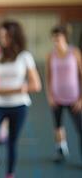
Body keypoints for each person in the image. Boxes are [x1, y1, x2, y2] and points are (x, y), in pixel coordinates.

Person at [0, 20, 41, 178]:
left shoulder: (25, 57)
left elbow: (36, 85)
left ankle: (10, 174)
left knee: (12, 143)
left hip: (19, 106)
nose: (2, 39)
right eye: (1, 36)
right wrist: (16, 89)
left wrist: (6, 90)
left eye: (6, 36)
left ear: (14, 37)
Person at [45, 25, 82, 162]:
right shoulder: (50, 55)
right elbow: (48, 77)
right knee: (58, 126)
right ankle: (61, 150)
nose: (56, 40)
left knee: (80, 128)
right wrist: (49, 96)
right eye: (54, 38)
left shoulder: (75, 53)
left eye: (58, 37)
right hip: (56, 97)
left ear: (65, 37)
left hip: (74, 97)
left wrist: (81, 99)